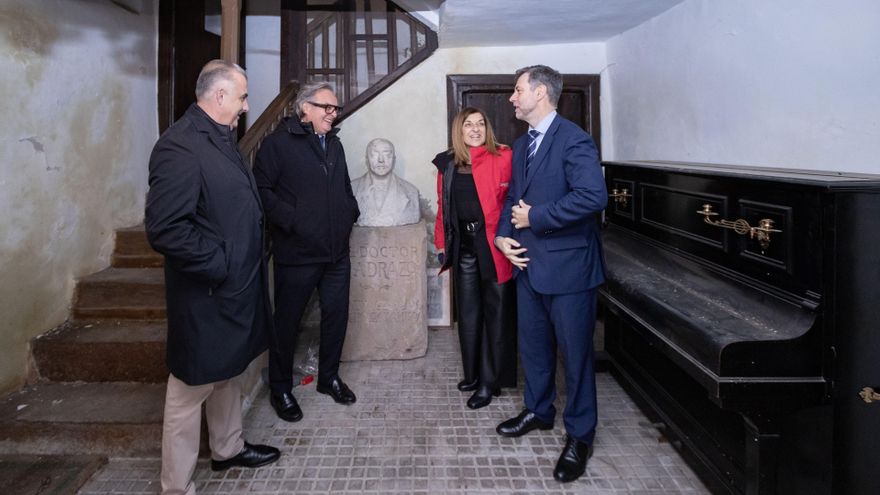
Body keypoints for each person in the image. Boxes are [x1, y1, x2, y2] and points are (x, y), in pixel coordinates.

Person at [145, 59, 280, 495]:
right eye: (241, 97)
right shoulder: (180, 146)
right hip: (207, 291)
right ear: (219, 96)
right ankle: (176, 486)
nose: (245, 107)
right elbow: (167, 228)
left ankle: (228, 448)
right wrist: (220, 263)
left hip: (234, 287)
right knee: (189, 391)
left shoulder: (221, 137)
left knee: (228, 372)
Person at [493, 65, 607, 483]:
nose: (512, 97)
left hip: (571, 270)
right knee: (535, 349)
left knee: (575, 358)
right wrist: (504, 237)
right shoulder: (523, 145)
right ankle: (539, 411)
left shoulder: (575, 140)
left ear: (540, 93)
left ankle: (580, 435)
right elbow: (514, 202)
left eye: (518, 90)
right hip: (528, 265)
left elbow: (593, 197)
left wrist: (536, 217)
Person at [253, 82, 361, 423]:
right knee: (287, 323)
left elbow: (343, 187)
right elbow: (261, 189)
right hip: (297, 252)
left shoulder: (335, 145)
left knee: (336, 317)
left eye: (335, 108)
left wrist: (349, 212)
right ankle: (281, 388)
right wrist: (292, 220)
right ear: (305, 109)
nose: (333, 113)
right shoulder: (277, 144)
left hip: (335, 253)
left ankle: (328, 377)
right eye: (326, 107)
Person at [432, 107, 517, 410]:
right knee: (468, 315)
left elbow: (514, 198)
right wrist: (441, 243)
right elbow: (443, 208)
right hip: (464, 246)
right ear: (460, 130)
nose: (476, 129)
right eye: (469, 124)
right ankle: (472, 374)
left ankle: (489, 382)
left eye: (481, 123)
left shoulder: (504, 156)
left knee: (496, 316)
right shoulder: (448, 164)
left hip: (493, 245)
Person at [351, 138, 421, 226]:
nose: (381, 160)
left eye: (387, 155)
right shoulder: (351, 189)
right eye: (374, 154)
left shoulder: (411, 192)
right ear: (367, 159)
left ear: (394, 160)